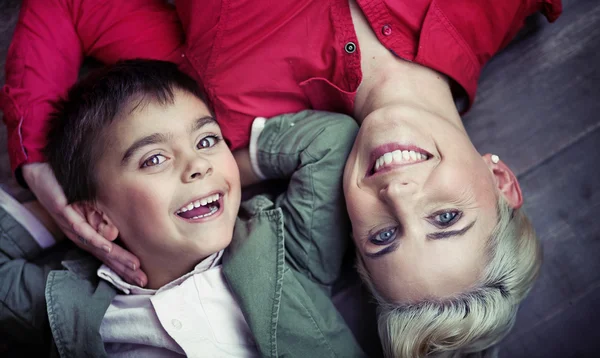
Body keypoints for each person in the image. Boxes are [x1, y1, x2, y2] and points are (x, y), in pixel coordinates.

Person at [0, 0, 562, 356]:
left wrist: (39, 165)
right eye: (445, 218)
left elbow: (69, 7)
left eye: (383, 238)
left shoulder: (212, 107)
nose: (397, 195)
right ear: (501, 182)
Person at [0, 59, 365, 357]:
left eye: (207, 140)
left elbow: (329, 142)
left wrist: (228, 172)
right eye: (154, 158)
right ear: (98, 217)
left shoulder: (286, 250)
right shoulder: (64, 305)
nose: (198, 164)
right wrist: (66, 215)